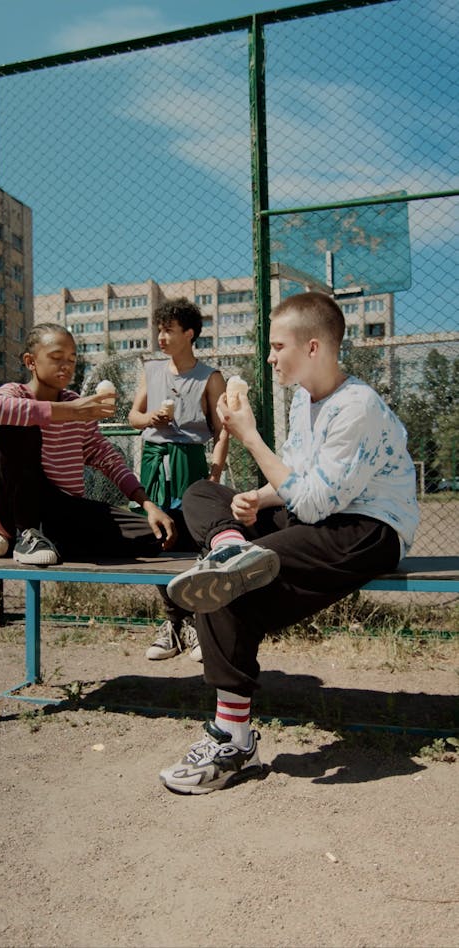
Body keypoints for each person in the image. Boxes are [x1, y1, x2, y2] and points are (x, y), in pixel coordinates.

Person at [159, 291, 420, 794]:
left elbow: (319, 502)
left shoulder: (357, 405)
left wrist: (251, 438)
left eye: (279, 347)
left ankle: (231, 737)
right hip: (313, 513)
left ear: (314, 347)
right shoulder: (304, 397)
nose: (270, 357)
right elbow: (298, 479)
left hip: (369, 527)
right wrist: (255, 499)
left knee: (224, 582)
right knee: (205, 498)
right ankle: (231, 547)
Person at [0, 323, 177, 567]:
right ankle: (25, 533)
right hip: (12, 506)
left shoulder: (77, 405)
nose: (66, 366)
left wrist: (147, 504)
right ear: (30, 362)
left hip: (62, 508)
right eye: (56, 358)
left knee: (153, 536)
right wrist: (66, 412)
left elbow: (106, 457)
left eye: (72, 359)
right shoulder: (15, 394)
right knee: (15, 424)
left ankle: (49, 541)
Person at [129, 297, 228, 663]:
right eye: (159, 329)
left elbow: (221, 431)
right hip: (154, 463)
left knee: (194, 545)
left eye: (168, 330)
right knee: (159, 545)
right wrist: (149, 418)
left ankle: (200, 625)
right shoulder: (152, 371)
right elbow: (132, 417)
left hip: (189, 463)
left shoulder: (210, 377)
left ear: (189, 334)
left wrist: (215, 472)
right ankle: (173, 624)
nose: (161, 337)